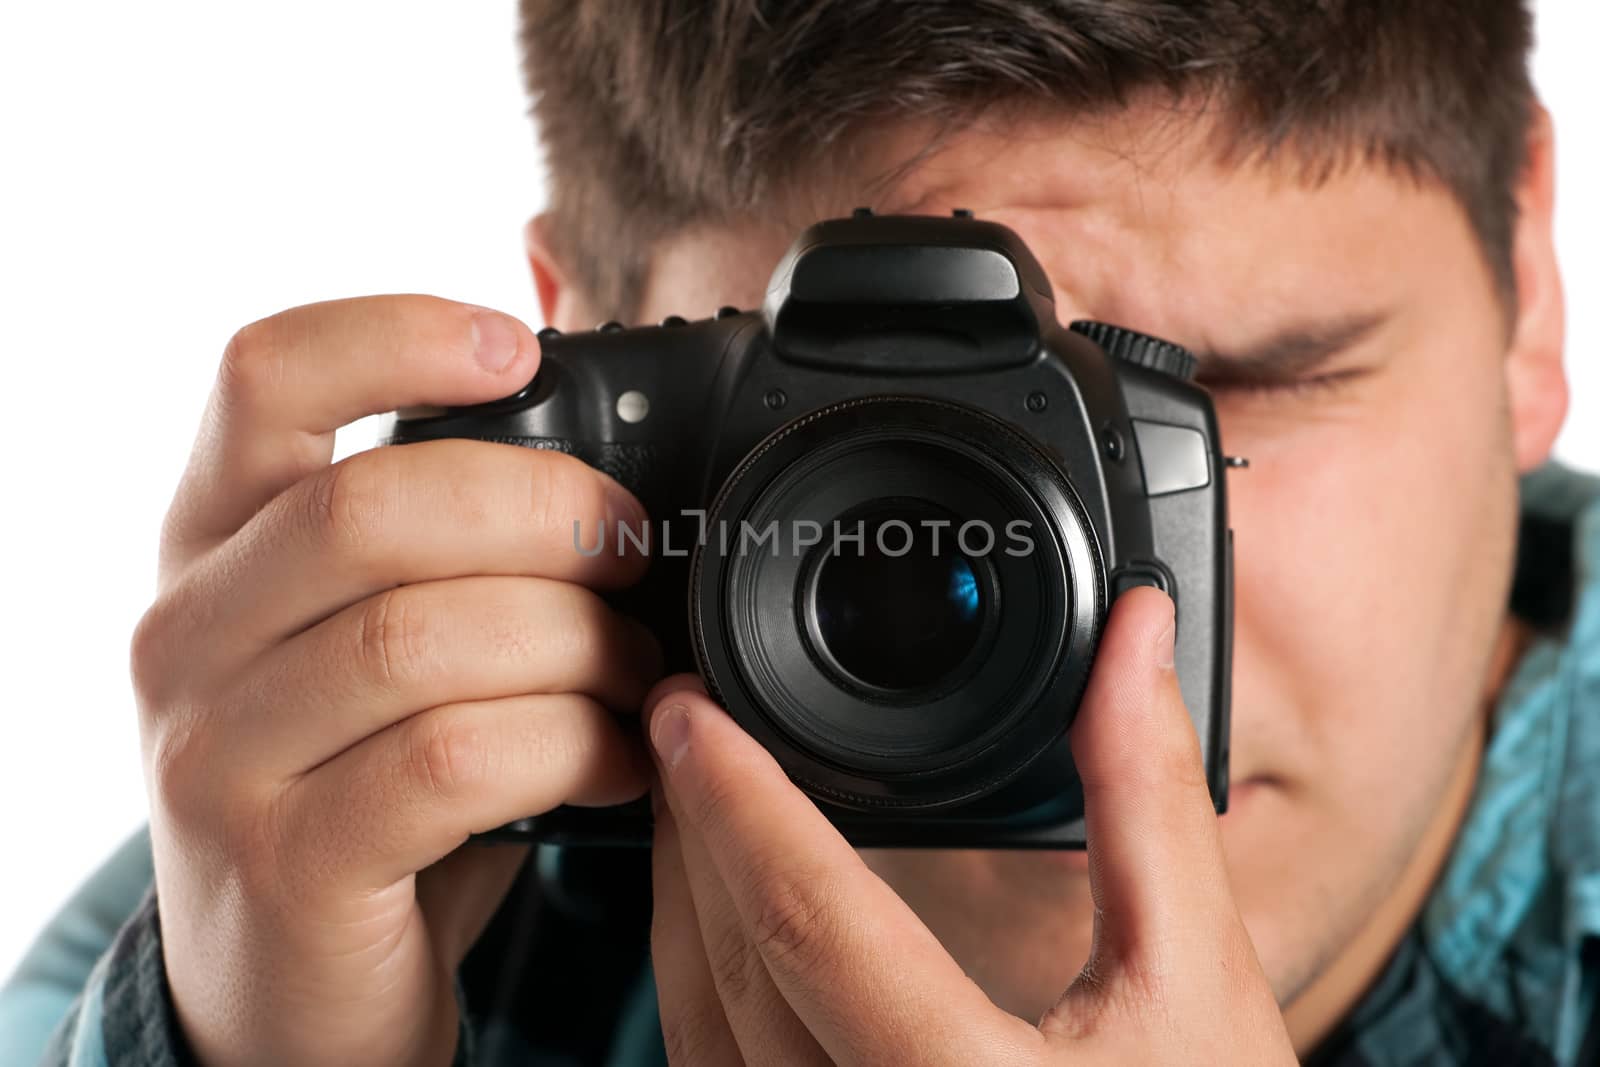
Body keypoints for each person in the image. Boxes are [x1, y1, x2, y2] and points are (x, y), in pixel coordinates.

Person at [3, 1, 1594, 1063]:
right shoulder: (310, 896)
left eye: (1232, 386)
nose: (1096, 609)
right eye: (866, 454)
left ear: (1526, 292)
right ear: (585, 349)